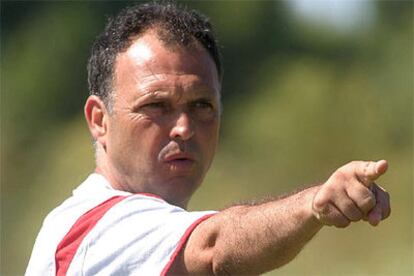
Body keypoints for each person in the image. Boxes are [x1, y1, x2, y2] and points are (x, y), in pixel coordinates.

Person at [25, 2, 391, 275]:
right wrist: (313, 204)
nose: (184, 127)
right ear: (99, 120)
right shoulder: (94, 229)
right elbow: (215, 248)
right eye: (156, 105)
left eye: (201, 105)